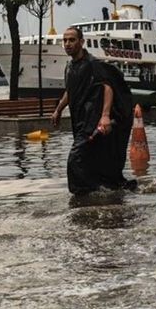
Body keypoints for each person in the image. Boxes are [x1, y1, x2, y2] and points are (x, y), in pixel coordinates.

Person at [51, 26, 135, 194]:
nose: (67, 44)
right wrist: (59, 109)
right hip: (79, 120)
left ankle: (85, 194)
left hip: (92, 120)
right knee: (93, 159)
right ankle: (108, 189)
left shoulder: (93, 64)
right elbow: (70, 90)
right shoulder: (69, 67)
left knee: (75, 159)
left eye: (72, 40)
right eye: (65, 40)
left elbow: (108, 86)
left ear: (81, 42)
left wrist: (104, 116)